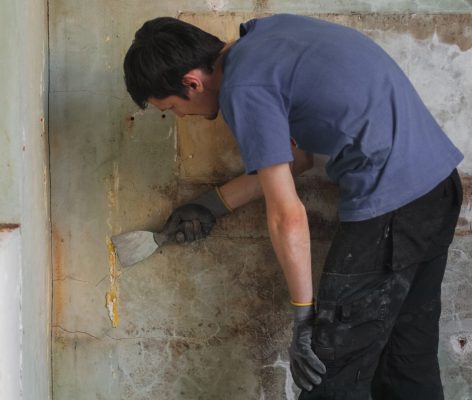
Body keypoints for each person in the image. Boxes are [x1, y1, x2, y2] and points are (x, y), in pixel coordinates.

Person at [123, 14, 463, 399]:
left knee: (327, 371)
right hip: (438, 187)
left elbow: (288, 215)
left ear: (192, 83)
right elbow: (295, 160)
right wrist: (212, 205)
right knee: (405, 360)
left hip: (391, 205)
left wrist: (304, 319)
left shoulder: (243, 88)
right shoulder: (267, 37)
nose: (181, 117)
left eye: (171, 107)